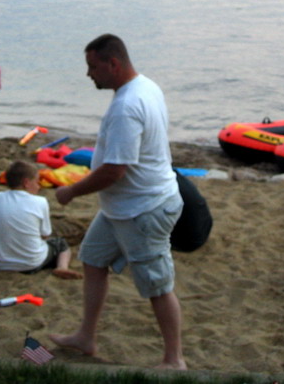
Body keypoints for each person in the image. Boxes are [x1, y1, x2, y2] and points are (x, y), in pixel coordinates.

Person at [50, 34, 186, 370]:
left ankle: (174, 360)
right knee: (93, 259)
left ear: (113, 64)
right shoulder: (145, 86)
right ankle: (86, 337)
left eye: (92, 66)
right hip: (120, 209)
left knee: (158, 286)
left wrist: (71, 191)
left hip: (144, 209)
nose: (88, 74)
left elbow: (115, 170)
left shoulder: (128, 106)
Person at [0, 160, 82, 280]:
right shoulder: (40, 202)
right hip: (31, 264)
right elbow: (45, 235)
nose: (39, 186)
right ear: (26, 183)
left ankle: (4, 256)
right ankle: (62, 267)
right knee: (60, 244)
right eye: (36, 182)